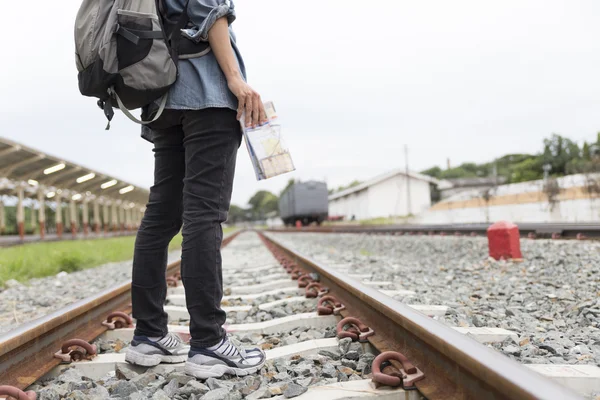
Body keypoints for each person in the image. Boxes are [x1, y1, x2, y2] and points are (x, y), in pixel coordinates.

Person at [124, 0, 267, 378]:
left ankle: (148, 335)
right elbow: (211, 12)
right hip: (207, 96)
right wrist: (235, 79)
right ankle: (208, 342)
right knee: (203, 215)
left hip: (162, 101)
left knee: (159, 218)